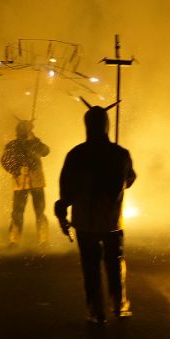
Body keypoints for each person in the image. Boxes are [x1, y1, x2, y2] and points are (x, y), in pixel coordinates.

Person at [55, 101, 136, 324]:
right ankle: (119, 305)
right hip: (112, 220)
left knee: (90, 267)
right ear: (107, 125)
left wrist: (63, 211)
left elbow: (67, 189)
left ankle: (96, 311)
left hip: (85, 220)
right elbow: (130, 179)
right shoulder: (120, 154)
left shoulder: (77, 154)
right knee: (115, 263)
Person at [1, 120, 50, 246]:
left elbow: (45, 151)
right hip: (20, 183)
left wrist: (35, 139)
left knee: (39, 211)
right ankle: (14, 240)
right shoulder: (12, 145)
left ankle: (43, 239)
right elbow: (5, 161)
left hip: (36, 182)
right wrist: (17, 169)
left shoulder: (34, 143)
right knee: (18, 212)